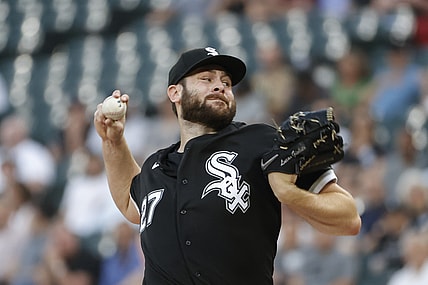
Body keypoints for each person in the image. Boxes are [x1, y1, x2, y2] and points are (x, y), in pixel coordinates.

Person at [93, 47, 361, 284]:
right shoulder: (156, 165)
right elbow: (131, 204)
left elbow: (349, 217)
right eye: (206, 79)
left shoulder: (261, 141)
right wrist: (113, 142)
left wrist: (289, 194)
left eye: (226, 82)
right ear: (175, 93)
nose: (220, 86)